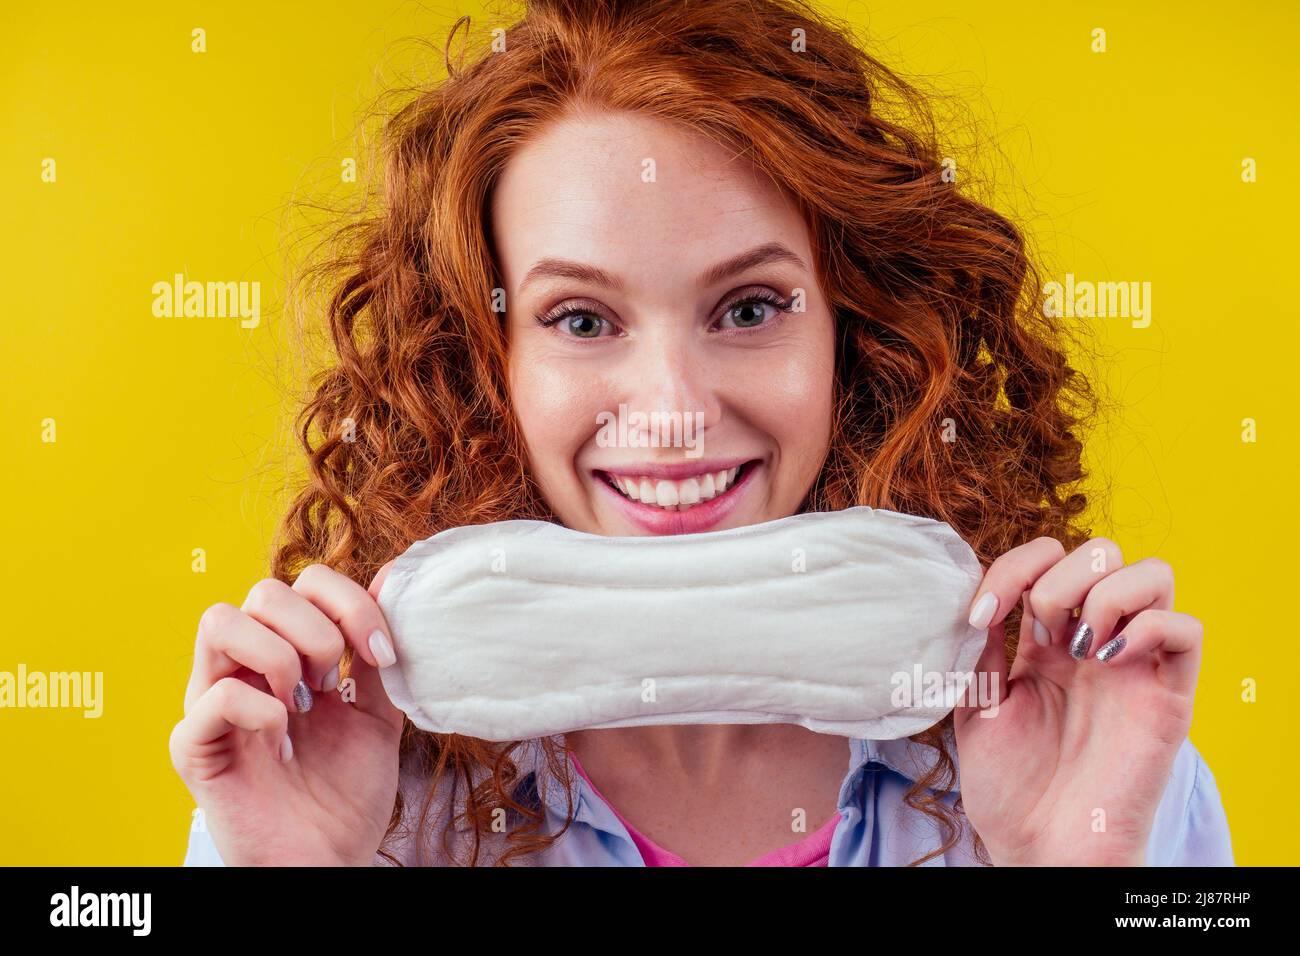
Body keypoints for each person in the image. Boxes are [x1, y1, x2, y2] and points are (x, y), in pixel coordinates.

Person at [171, 0, 1234, 867]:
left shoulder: (1083, 758)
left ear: (854, 334)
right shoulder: (348, 789)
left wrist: (1068, 862)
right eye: (581, 320)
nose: (672, 408)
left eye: (749, 307)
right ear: (486, 362)